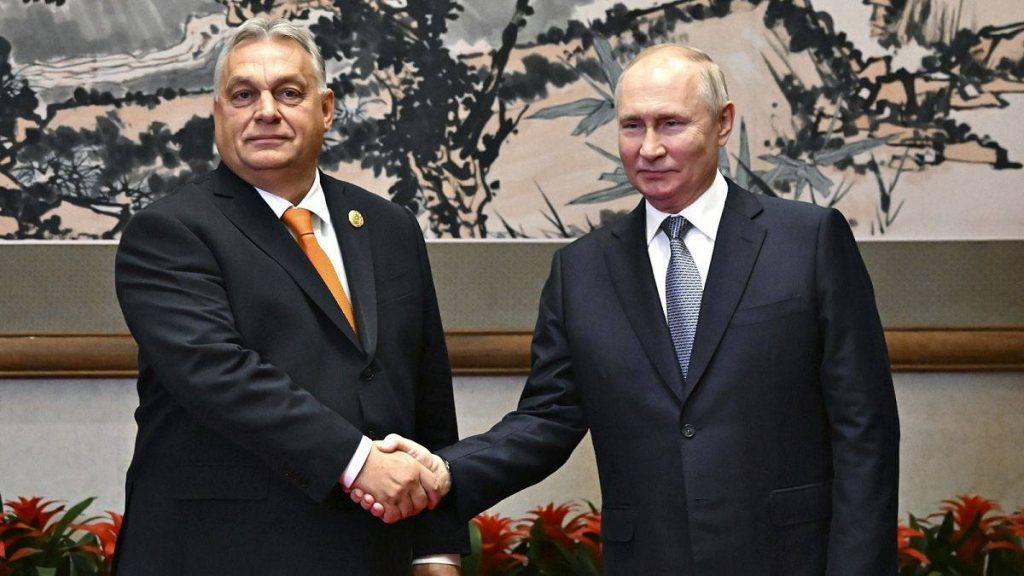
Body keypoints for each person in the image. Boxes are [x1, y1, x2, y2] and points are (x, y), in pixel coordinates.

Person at [357, 44, 900, 574]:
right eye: (632, 126)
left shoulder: (807, 241)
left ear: (723, 122)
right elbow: (547, 418)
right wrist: (446, 469)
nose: (649, 148)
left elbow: (865, 429)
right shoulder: (581, 270)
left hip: (791, 557)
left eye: (671, 124)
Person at [113, 16, 464, 575]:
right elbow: (218, 373)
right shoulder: (169, 232)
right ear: (218, 112)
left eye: (289, 93)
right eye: (243, 95)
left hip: (372, 555)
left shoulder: (390, 227)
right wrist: (359, 462)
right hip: (220, 555)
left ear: (326, 109)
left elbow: (427, 398)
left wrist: (435, 551)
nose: (266, 111)